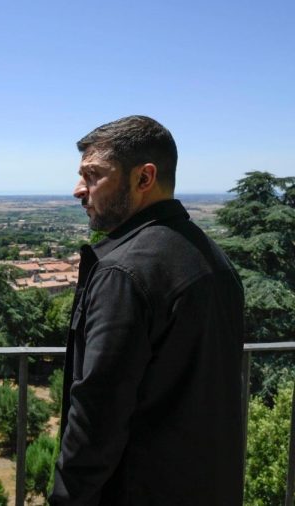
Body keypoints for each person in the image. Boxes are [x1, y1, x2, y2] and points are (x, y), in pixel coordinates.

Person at [50, 116, 245, 505]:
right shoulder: (216, 262)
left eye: (93, 175)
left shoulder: (123, 272)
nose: (78, 190)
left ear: (144, 178)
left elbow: (97, 416)